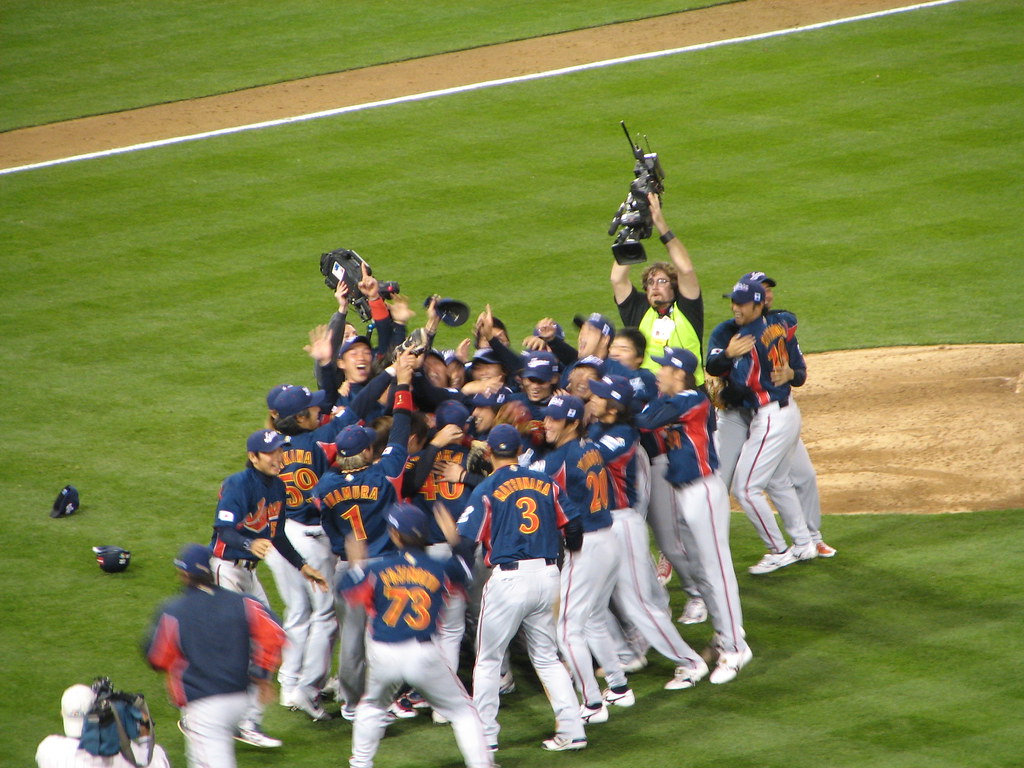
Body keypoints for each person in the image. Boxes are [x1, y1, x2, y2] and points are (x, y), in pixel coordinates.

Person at [455, 424, 587, 753]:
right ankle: (572, 730)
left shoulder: (486, 487)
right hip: (547, 577)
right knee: (547, 658)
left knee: (488, 660)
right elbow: (574, 526)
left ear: (489, 453)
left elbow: (465, 541)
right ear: (518, 451)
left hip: (508, 581)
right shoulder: (546, 483)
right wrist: (566, 554)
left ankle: (486, 737)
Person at [339, 503, 494, 768]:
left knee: (372, 706)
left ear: (395, 535)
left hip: (384, 653)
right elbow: (466, 570)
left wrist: (356, 565)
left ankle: (360, 763)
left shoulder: (378, 569)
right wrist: (456, 542)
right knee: (463, 712)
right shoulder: (440, 567)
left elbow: (346, 589)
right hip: (423, 654)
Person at [634, 347, 752, 685]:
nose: (658, 373)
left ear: (680, 374)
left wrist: (636, 400)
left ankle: (736, 648)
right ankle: (724, 633)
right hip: (685, 493)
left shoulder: (691, 400)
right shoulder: (673, 399)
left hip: (703, 492)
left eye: (664, 369)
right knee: (702, 570)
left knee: (717, 570)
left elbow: (645, 421)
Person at [586, 375, 710, 692]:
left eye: (598, 397)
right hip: (602, 526)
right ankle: (625, 654)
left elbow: (585, 461)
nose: (592, 399)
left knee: (639, 606)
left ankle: (691, 662)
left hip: (622, 525)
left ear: (613, 407)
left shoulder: (622, 435)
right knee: (593, 605)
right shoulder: (599, 428)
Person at [208, 429, 328, 746]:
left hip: (248, 574)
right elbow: (224, 530)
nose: (279, 457)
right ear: (253, 457)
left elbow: (277, 536)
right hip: (226, 569)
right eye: (271, 452)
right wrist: (250, 543)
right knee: (238, 647)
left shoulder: (278, 486)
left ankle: (245, 721)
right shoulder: (238, 484)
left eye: (280, 451)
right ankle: (214, 715)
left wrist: (303, 566)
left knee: (270, 636)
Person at [313, 351, 416, 719]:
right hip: (386, 567)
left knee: (352, 641)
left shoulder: (324, 486)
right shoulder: (385, 472)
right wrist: (403, 384)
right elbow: (401, 427)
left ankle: (352, 703)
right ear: (369, 450)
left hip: (348, 567)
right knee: (388, 637)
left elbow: (324, 520)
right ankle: (384, 700)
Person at [710, 271, 836, 558]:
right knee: (722, 481)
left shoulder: (779, 325)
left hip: (768, 414)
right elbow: (713, 366)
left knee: (802, 476)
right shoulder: (725, 331)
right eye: (761, 289)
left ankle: (810, 539)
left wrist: (791, 374)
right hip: (736, 416)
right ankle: (713, 544)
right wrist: (728, 355)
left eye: (768, 289)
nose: (767, 294)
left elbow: (799, 374)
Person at [145, 543, 286, 768]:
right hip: (241, 698)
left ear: (184, 574)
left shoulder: (175, 610)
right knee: (199, 760)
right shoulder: (243, 602)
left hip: (205, 705)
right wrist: (262, 675)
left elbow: (156, 657)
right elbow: (275, 633)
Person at [538, 394, 627, 726]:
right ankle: (618, 686)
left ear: (573, 423)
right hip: (608, 540)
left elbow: (542, 496)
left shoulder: (559, 459)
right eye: (547, 417)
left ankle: (592, 703)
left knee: (566, 629)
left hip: (586, 547)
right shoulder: (589, 447)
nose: (547, 423)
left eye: (555, 419)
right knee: (593, 619)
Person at [609, 193, 705, 383]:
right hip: (649, 392)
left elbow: (686, 269)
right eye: (650, 282)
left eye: (662, 281)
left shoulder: (687, 308)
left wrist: (661, 225)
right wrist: (632, 234)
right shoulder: (639, 309)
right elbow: (617, 279)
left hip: (689, 389)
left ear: (674, 286)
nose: (654, 287)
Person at [36, 683, 171, 768]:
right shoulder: (120, 757)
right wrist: (144, 733)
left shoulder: (47, 748)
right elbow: (157, 762)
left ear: (62, 713)